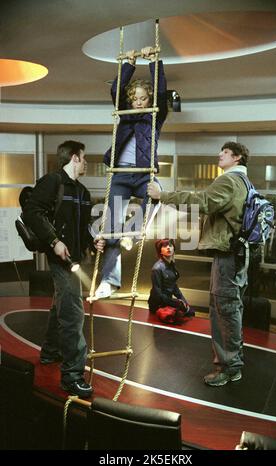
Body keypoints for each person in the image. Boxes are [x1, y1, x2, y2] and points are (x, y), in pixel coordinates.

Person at [148, 142, 250, 387]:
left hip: (228, 257)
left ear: (237, 158)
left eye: (225, 152)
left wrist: (164, 196)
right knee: (230, 309)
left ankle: (229, 368)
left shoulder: (229, 181)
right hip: (236, 255)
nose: (219, 155)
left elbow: (203, 201)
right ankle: (232, 362)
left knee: (223, 311)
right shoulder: (245, 183)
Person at [23, 140, 104, 398]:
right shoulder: (51, 182)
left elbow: (82, 229)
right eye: (84, 157)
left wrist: (93, 241)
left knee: (62, 305)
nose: (87, 162)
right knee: (73, 314)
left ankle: (49, 352)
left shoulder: (82, 193)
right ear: (74, 158)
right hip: (60, 260)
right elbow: (32, 212)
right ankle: (72, 376)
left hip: (75, 259)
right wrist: (54, 241)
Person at [94, 46, 168, 299]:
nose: (137, 102)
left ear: (149, 101)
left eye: (142, 99)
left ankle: (132, 235)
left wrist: (154, 61)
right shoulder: (125, 117)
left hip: (144, 175)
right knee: (111, 226)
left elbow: (160, 91)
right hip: (121, 175)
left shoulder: (154, 118)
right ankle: (109, 281)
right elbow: (116, 91)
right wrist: (130, 63)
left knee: (155, 198)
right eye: (134, 98)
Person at [148, 238, 195, 324]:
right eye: (165, 246)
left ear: (174, 248)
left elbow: (175, 287)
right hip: (158, 304)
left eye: (170, 245)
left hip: (168, 300)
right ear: (160, 251)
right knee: (180, 317)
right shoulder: (157, 268)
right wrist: (176, 303)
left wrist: (184, 302)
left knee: (191, 312)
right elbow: (158, 293)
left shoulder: (171, 265)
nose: (168, 248)